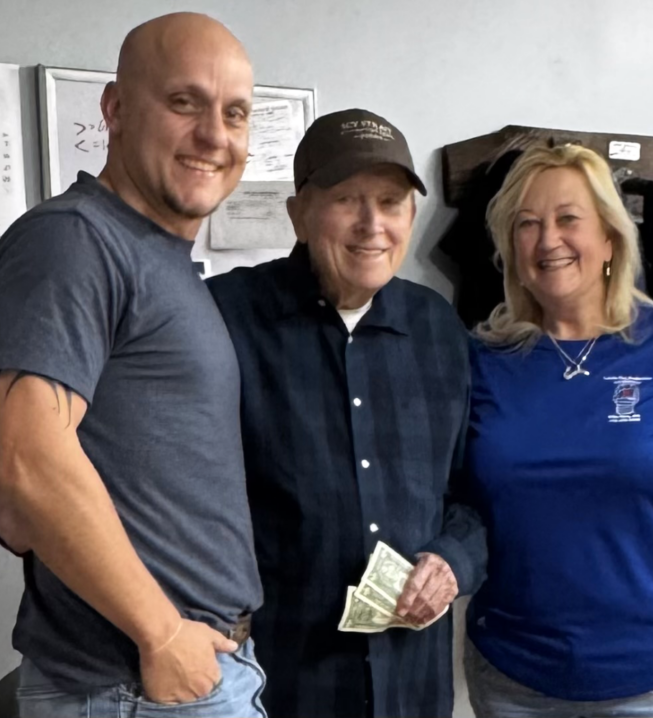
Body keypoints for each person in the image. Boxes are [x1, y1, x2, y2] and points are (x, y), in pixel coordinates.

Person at [0, 12, 266, 718]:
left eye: (235, 113)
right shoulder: (76, 239)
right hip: (136, 685)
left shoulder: (157, 258)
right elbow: (26, 458)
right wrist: (162, 634)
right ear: (114, 109)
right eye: (184, 102)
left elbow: (20, 493)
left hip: (185, 674)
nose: (215, 135)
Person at [206, 108, 487, 718]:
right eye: (346, 200)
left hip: (412, 683)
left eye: (390, 203)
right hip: (270, 679)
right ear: (299, 214)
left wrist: (452, 560)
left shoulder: (439, 327)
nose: (372, 224)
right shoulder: (224, 316)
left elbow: (472, 493)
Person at [462, 144, 653, 718]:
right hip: (515, 676)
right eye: (527, 224)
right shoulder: (481, 361)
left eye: (568, 218)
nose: (548, 240)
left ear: (610, 238)